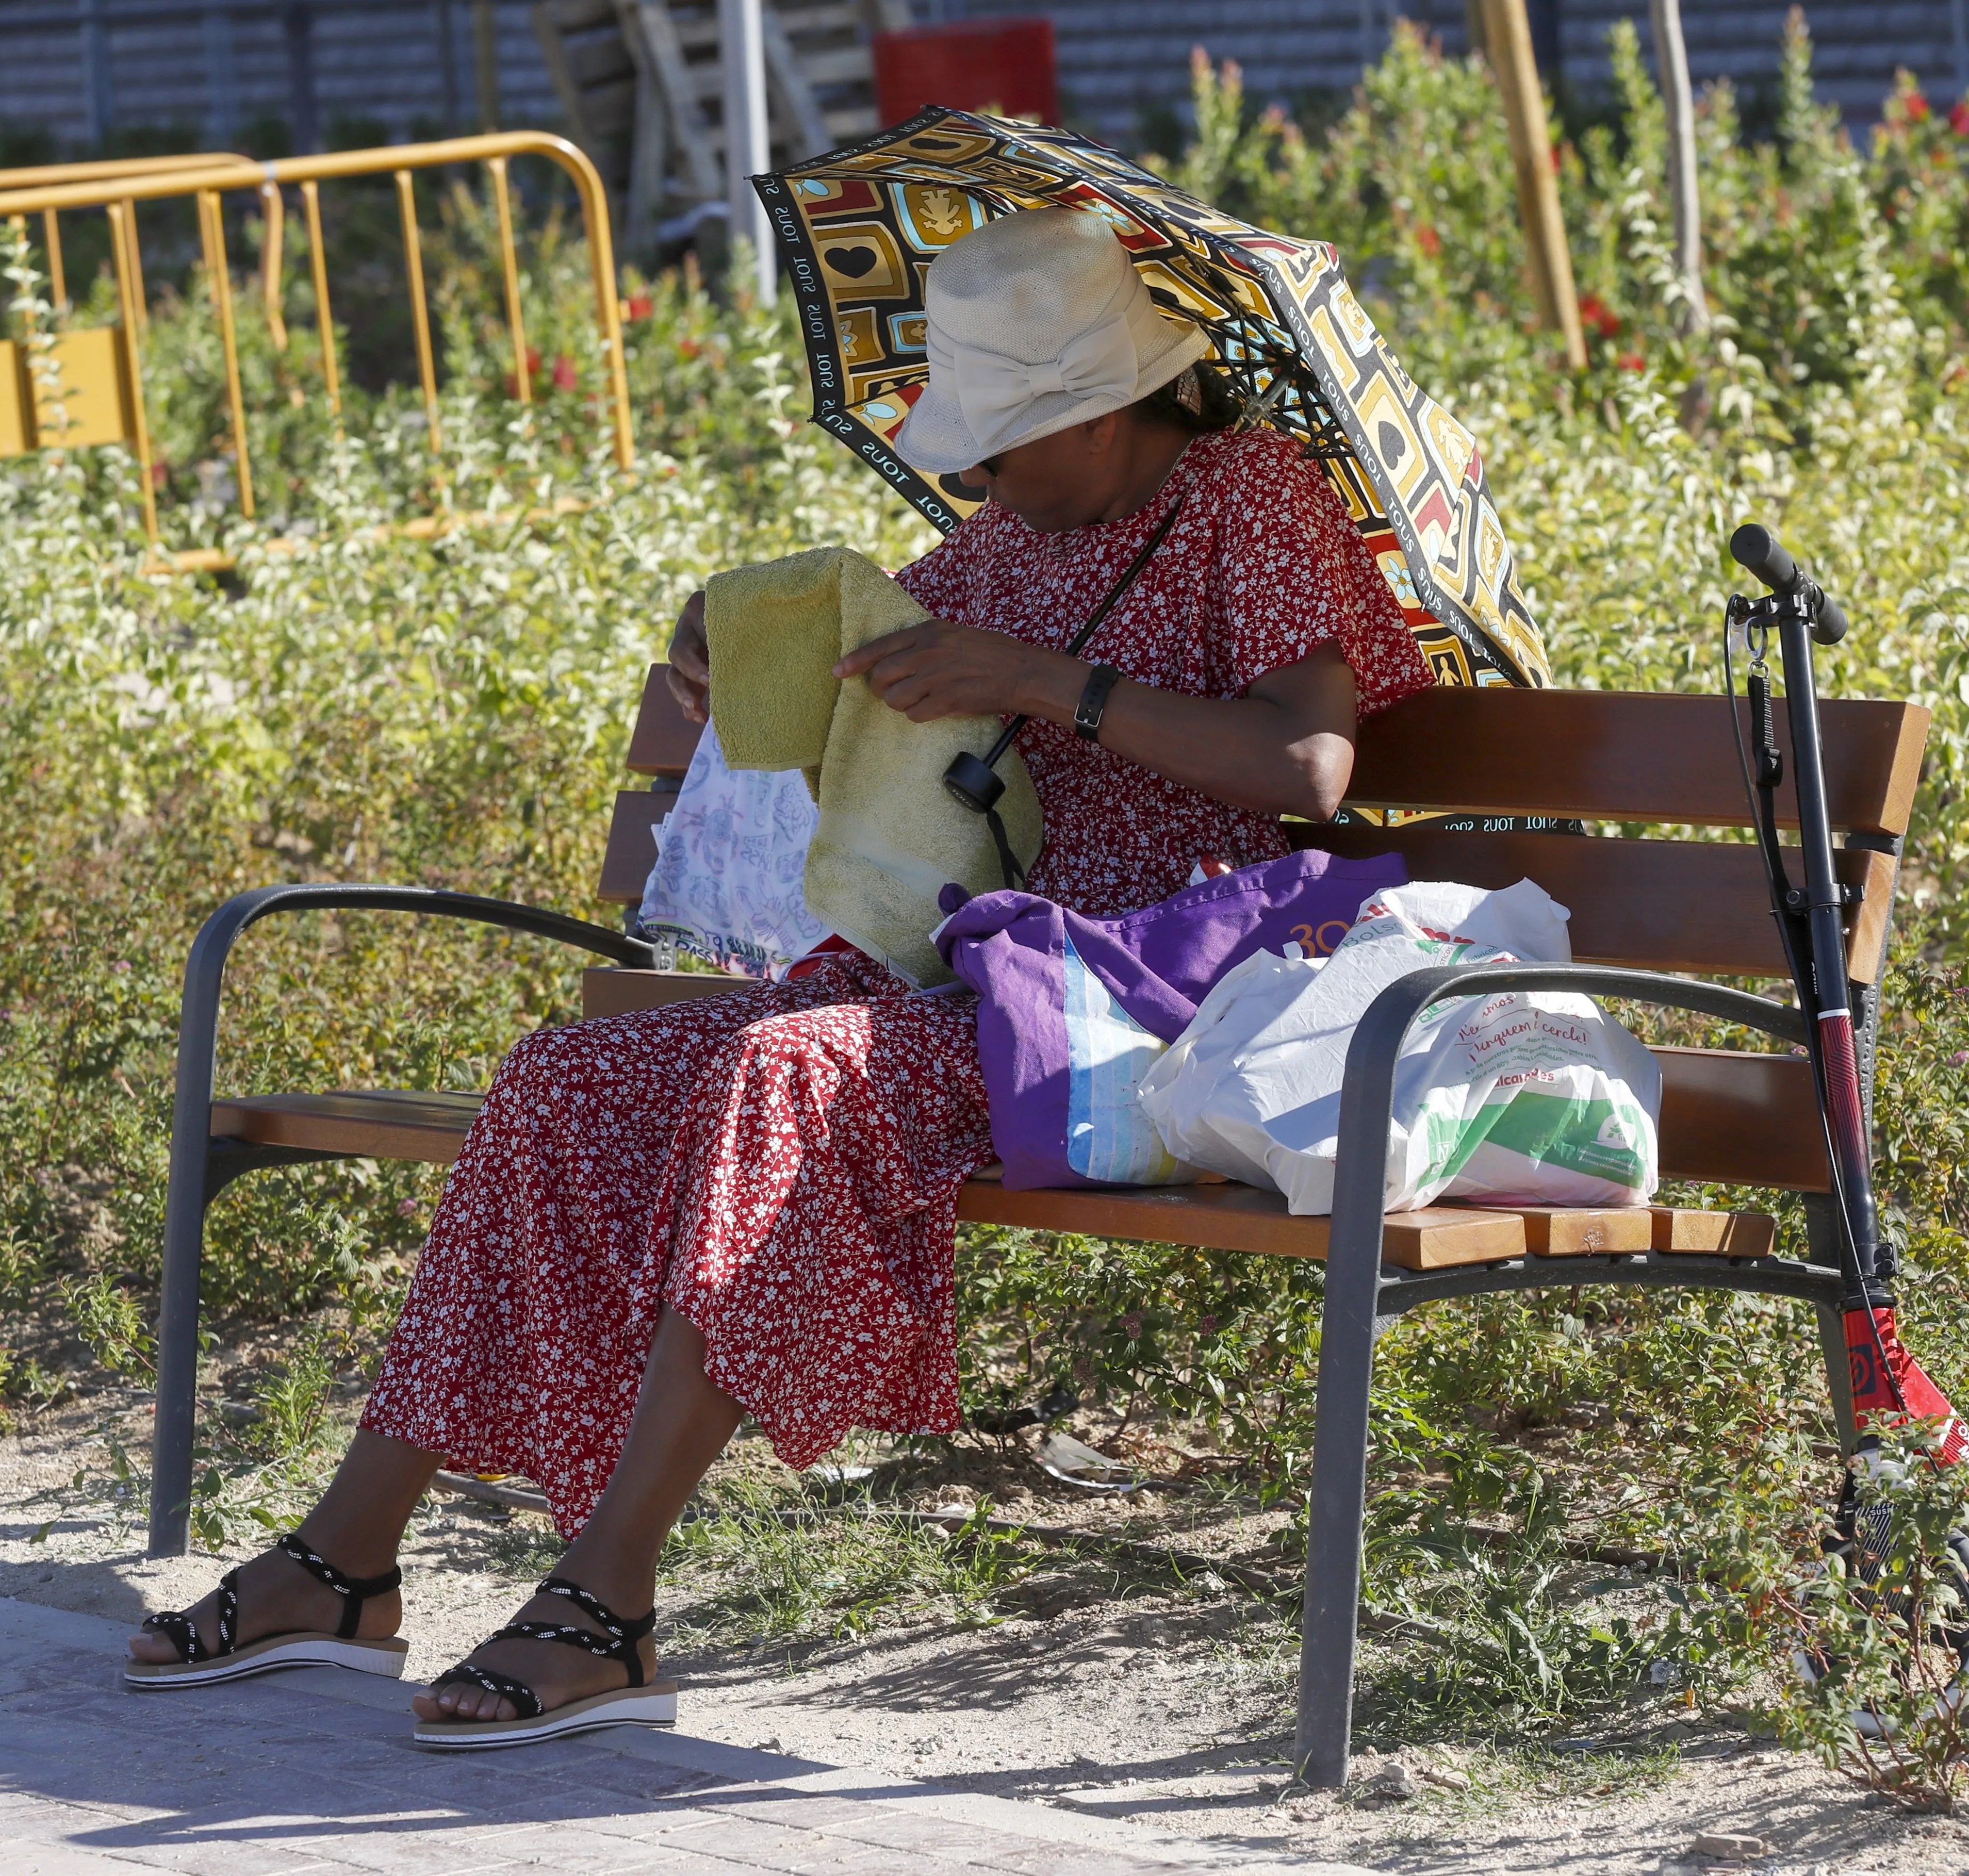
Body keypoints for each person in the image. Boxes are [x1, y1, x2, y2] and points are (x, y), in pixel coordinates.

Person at [124, 206, 1435, 1746]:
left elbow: (1307, 765)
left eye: (997, 442)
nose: (970, 477)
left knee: (787, 1075)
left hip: (1140, 1000)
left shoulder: (1250, 501)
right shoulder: (1011, 536)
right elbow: (862, 660)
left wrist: (1042, 682)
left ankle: (608, 1599)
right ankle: (347, 1563)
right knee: (568, 1079)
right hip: (959, 978)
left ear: (1100, 411)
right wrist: (729, 647)